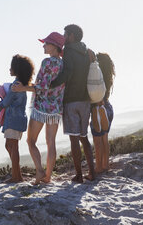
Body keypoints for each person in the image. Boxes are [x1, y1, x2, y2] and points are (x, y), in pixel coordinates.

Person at [12, 32, 65, 184]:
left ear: (54, 46)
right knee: (51, 143)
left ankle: (40, 172)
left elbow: (42, 87)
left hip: (41, 107)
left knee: (30, 141)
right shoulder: (62, 64)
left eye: (46, 43)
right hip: (55, 109)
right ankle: (47, 177)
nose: (43, 45)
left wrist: (23, 89)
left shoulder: (47, 62)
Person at [50, 24, 95, 183]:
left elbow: (67, 72)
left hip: (71, 100)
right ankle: (92, 173)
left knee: (74, 139)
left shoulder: (69, 51)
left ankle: (79, 175)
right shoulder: (86, 51)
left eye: (65, 34)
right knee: (84, 138)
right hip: (85, 100)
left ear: (72, 36)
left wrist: (52, 84)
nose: (64, 38)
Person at [0, 54, 34, 183]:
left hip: (13, 119)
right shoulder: (22, 84)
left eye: (11, 67)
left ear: (17, 69)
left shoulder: (15, 85)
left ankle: (16, 177)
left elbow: (6, 102)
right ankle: (17, 174)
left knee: (12, 146)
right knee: (10, 145)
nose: (9, 69)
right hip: (19, 118)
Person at [90, 53, 115, 173]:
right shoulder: (108, 77)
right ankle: (106, 165)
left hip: (98, 109)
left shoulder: (97, 77)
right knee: (104, 138)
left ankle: (98, 167)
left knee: (97, 140)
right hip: (108, 108)